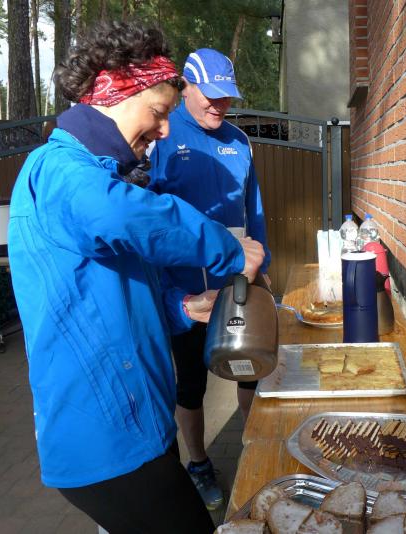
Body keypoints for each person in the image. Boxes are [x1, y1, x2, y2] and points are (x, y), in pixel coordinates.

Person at [7, 22, 264, 533]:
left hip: (139, 422)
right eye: (159, 112)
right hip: (103, 438)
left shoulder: (100, 174)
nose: (165, 130)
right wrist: (227, 247)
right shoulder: (58, 170)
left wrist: (182, 307)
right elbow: (129, 216)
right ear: (116, 93)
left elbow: (118, 288)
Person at [148, 48, 270, 510]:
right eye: (210, 96)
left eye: (227, 96)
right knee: (191, 385)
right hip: (186, 291)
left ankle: (255, 454)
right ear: (186, 87)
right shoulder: (162, 136)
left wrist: (262, 269)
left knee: (250, 372)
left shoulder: (239, 141)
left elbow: (253, 212)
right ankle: (199, 464)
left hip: (237, 285)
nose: (219, 105)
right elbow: (148, 221)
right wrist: (171, 292)